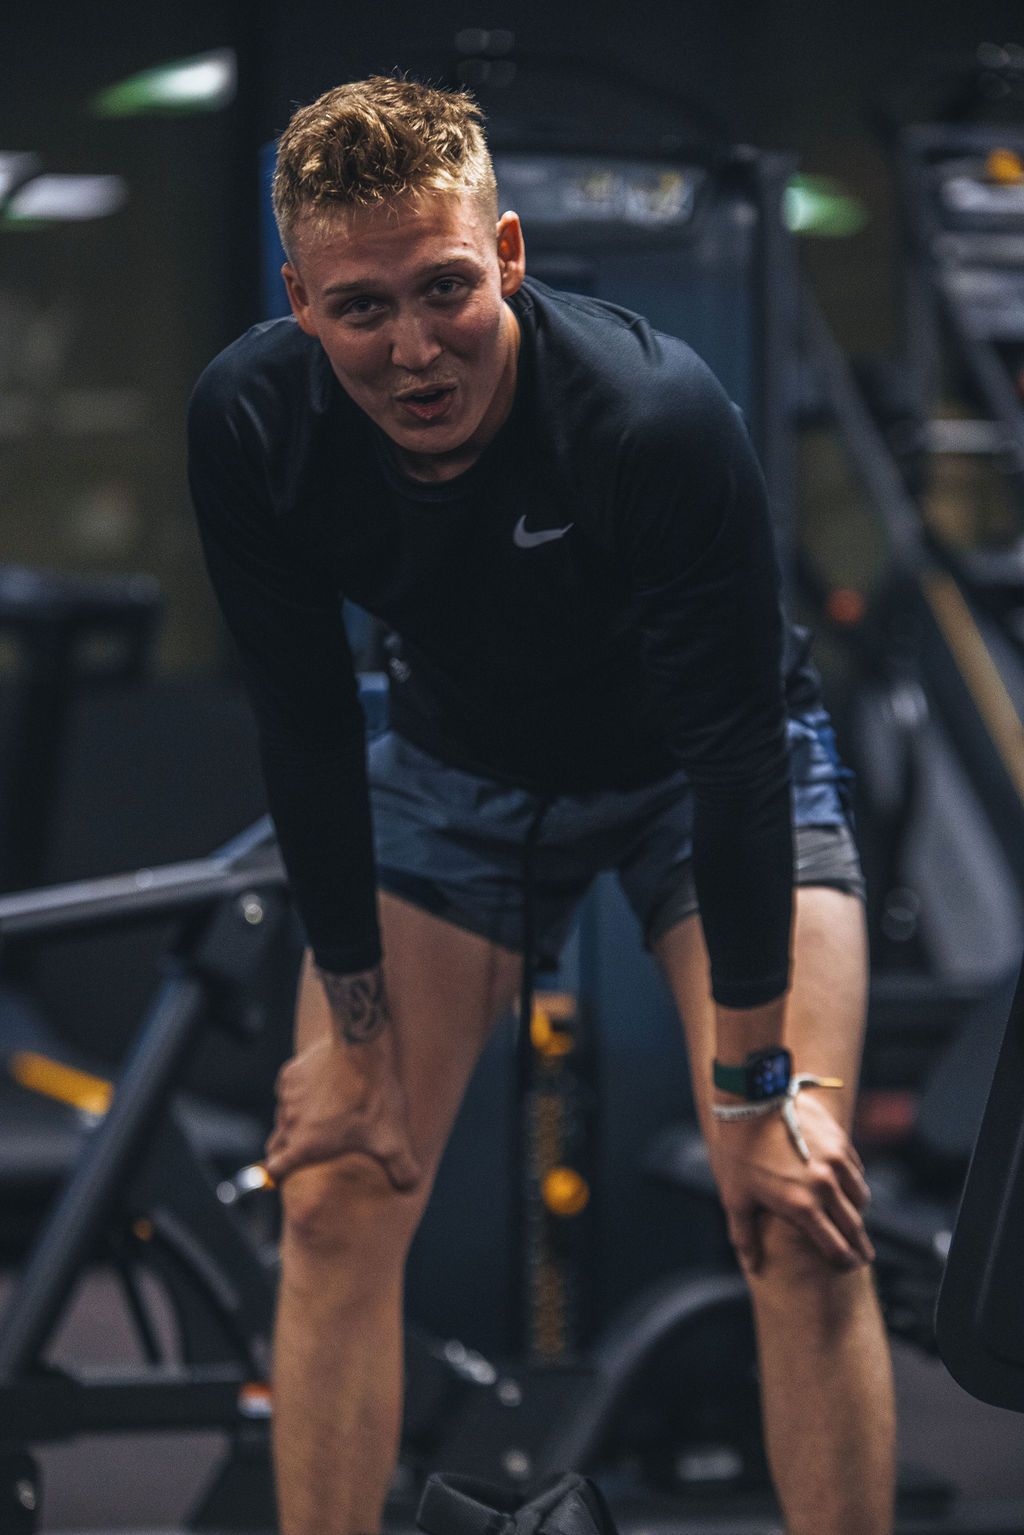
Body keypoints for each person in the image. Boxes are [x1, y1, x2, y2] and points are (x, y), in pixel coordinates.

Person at [187, 76, 895, 1535]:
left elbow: (735, 760)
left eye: (444, 288)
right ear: (300, 302)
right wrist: (357, 1044)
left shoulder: (649, 414)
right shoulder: (252, 421)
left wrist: (758, 1093)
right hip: (456, 775)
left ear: (507, 255)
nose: (414, 348)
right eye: (361, 307)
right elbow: (306, 726)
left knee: (795, 1215)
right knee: (333, 1193)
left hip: (698, 780)